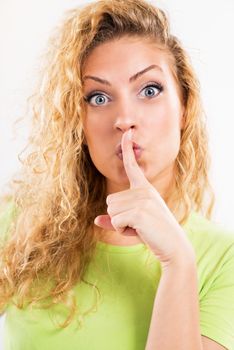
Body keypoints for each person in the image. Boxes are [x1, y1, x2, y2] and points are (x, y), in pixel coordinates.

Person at [0, 0, 234, 349]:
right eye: (98, 98)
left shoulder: (223, 259)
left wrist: (178, 263)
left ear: (185, 107)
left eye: (149, 90)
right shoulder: (21, 223)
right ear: (77, 124)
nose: (125, 118)